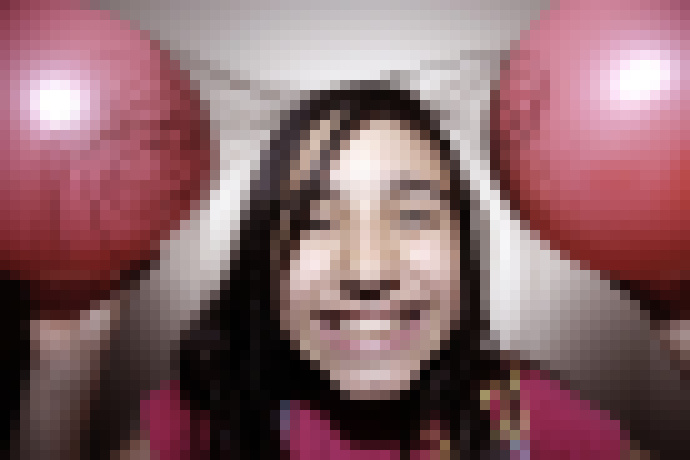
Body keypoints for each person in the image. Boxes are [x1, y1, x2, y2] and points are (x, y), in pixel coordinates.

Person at [139, 82, 648, 459]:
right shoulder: (208, 410)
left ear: (464, 250)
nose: (368, 270)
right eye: (314, 220)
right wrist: (82, 335)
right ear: (263, 260)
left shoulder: (528, 419)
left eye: (413, 215)